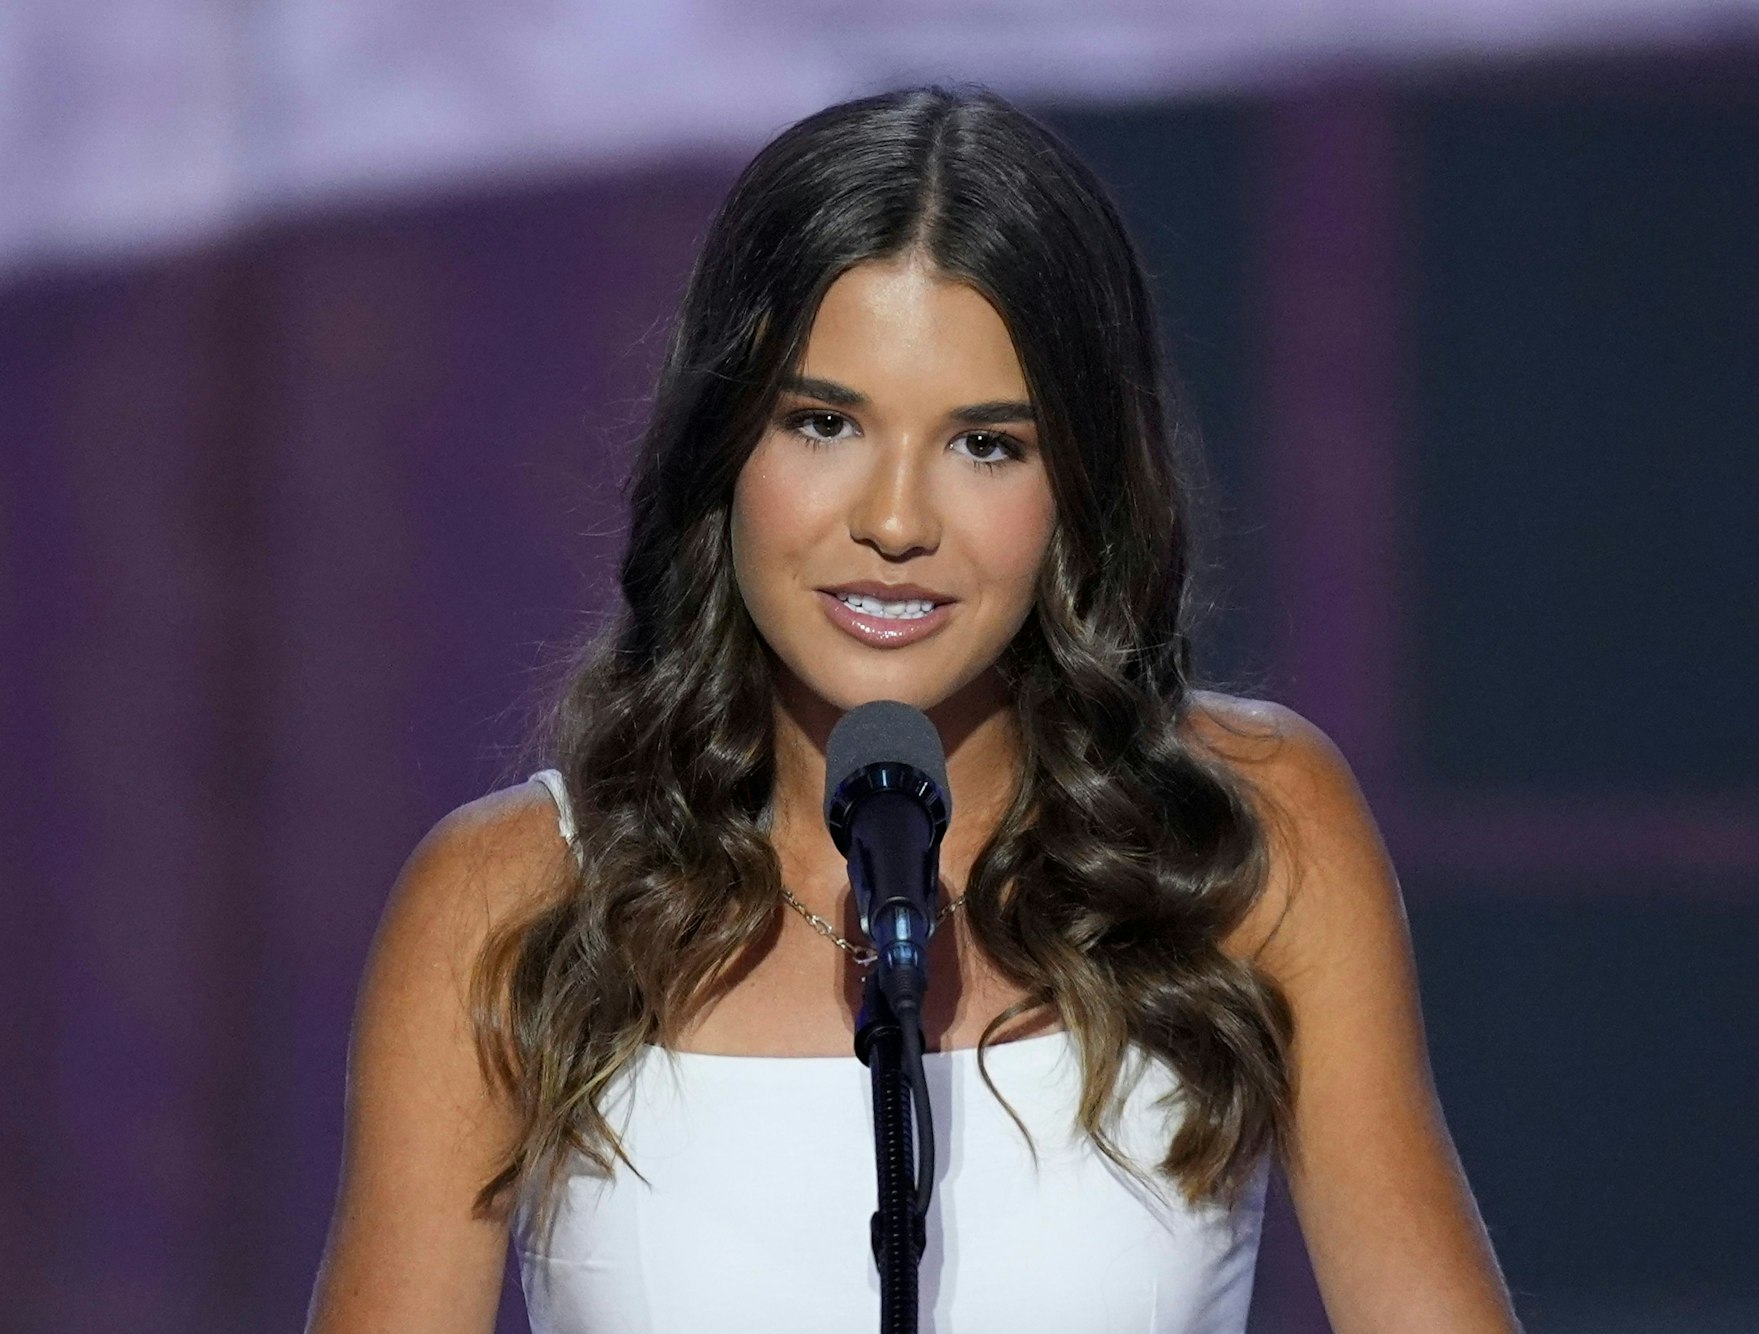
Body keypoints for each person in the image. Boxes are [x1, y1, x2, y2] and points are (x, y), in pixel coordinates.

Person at [305, 83, 1521, 1333]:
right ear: (725, 444)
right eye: (825, 422)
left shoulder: (1238, 834)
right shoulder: (511, 903)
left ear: (1083, 483)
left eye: (986, 444)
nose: (894, 521)